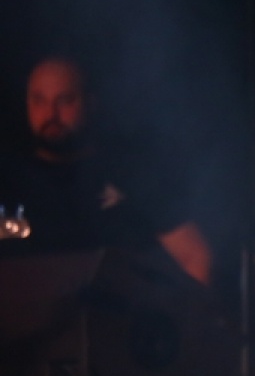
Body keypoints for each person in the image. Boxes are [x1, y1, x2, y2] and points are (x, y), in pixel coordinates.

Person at [0, 57, 212, 284]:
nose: (51, 114)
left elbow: (196, 258)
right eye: (39, 100)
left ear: (90, 103)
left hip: (117, 303)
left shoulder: (130, 172)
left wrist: (182, 305)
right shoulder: (9, 180)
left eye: (65, 100)